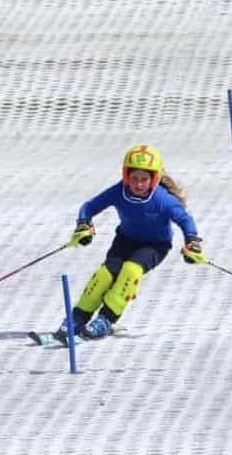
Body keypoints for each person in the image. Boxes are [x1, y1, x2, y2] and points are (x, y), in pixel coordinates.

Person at [56, 144, 205, 342]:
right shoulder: (120, 191)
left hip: (155, 245)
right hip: (125, 240)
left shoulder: (163, 199)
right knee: (104, 275)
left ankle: (106, 319)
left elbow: (185, 220)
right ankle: (77, 317)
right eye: (134, 178)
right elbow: (90, 206)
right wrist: (84, 224)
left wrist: (192, 241)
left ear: (154, 178)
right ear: (126, 176)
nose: (138, 184)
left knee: (131, 271)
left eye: (144, 179)